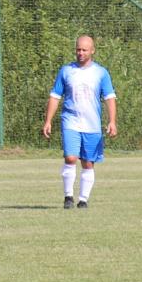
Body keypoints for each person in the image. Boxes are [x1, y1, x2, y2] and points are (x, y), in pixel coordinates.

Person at [41, 35, 116, 209]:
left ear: (92, 51)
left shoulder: (101, 72)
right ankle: (68, 197)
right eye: (78, 49)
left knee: (88, 162)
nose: (80, 53)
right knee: (70, 157)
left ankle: (83, 200)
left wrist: (112, 121)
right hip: (70, 121)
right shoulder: (66, 71)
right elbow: (55, 96)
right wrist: (48, 121)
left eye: (84, 50)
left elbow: (110, 98)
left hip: (92, 124)